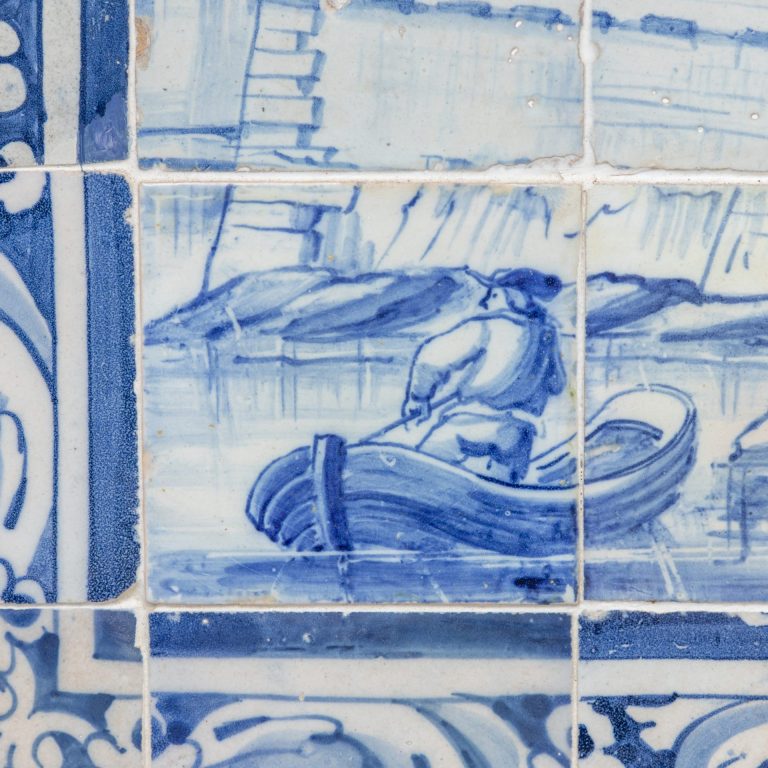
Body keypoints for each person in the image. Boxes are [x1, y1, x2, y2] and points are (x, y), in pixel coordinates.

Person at [401, 268, 566, 483]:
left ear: (512, 294)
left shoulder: (487, 325)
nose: (485, 301)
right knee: (497, 488)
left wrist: (418, 398)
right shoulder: (547, 335)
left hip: (470, 425)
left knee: (419, 476)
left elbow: (431, 359)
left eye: (493, 294)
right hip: (517, 436)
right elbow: (557, 385)